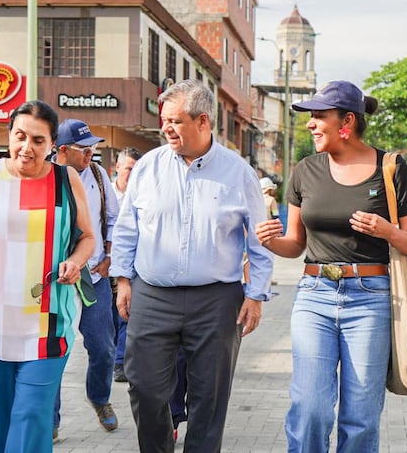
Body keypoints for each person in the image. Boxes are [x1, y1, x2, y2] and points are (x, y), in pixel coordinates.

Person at [255, 80, 407, 452]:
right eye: (311, 117)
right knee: (310, 407)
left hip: (372, 299)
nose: (311, 124)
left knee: (361, 417)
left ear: (347, 121)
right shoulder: (306, 170)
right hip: (315, 294)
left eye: (319, 116)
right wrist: (269, 240)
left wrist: (387, 231)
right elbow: (296, 244)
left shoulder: (390, 168)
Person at [111, 79, 273, 453]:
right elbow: (126, 230)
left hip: (217, 301)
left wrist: (256, 295)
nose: (166, 127)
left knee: (210, 396)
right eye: (164, 120)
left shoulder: (238, 173)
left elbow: (258, 241)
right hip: (152, 296)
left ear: (203, 121)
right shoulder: (148, 168)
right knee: (144, 387)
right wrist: (123, 280)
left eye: (175, 120)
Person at [0, 101, 96, 452]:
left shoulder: (65, 179)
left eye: (38, 141)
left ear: (52, 145)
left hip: (47, 324)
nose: (27, 148)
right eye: (20, 136)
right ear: (9, 135)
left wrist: (74, 262)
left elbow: (88, 237)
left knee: (30, 418)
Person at [52, 119, 121, 436]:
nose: (91, 154)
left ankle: (99, 398)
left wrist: (109, 257)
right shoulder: (45, 176)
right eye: (84, 149)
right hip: (55, 280)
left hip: (93, 275)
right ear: (63, 150)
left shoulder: (97, 174)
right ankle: (49, 418)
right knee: (53, 349)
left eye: (93, 147)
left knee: (104, 346)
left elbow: (113, 218)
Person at [110, 147, 142, 383]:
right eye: (129, 168)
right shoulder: (105, 193)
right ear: (118, 167)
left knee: (125, 314)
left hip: (130, 267)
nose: (132, 173)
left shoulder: (143, 195)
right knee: (108, 320)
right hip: (100, 267)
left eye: (136, 169)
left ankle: (120, 362)